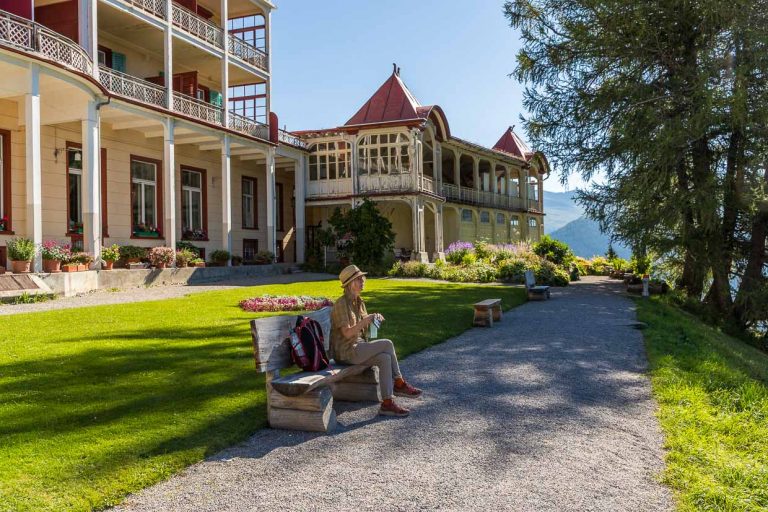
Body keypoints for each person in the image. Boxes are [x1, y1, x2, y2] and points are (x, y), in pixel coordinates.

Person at [330, 264, 422, 417]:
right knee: (388, 343)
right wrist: (366, 320)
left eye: (362, 278)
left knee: (384, 358)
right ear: (351, 283)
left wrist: (374, 321)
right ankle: (399, 383)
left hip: (359, 347)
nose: (363, 281)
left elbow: (367, 334)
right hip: (346, 352)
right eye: (359, 279)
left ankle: (387, 404)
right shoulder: (341, 304)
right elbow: (346, 334)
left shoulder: (359, 302)